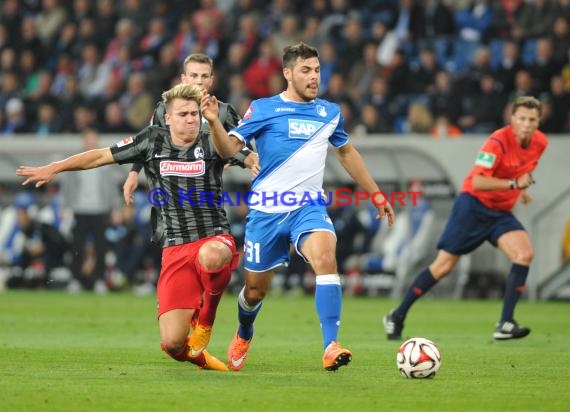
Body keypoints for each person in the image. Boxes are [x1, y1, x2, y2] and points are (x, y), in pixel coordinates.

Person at [201, 42, 395, 371]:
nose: (314, 77)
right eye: (306, 70)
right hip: (266, 211)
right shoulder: (262, 109)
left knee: (325, 258)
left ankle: (331, 345)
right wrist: (215, 123)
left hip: (309, 206)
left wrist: (375, 193)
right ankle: (244, 330)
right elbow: (225, 150)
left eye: (317, 70)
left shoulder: (329, 113)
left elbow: (347, 153)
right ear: (287, 74)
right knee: (254, 291)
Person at [17, 83, 237, 371]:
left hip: (214, 237)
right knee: (172, 344)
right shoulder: (151, 141)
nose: (191, 119)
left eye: (195, 114)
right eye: (183, 114)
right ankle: (200, 356)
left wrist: (214, 120)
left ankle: (206, 320)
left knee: (212, 256)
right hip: (175, 248)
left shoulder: (211, 138)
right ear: (167, 118)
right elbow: (99, 156)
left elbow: (227, 152)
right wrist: (55, 167)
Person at [383, 96, 549, 341]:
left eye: (532, 119)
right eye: (522, 118)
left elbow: (522, 166)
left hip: (500, 212)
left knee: (524, 254)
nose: (526, 124)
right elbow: (479, 181)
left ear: (538, 122)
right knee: (443, 267)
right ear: (512, 119)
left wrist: (520, 189)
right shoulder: (496, 142)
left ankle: (505, 322)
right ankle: (397, 315)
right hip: (473, 206)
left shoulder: (540, 142)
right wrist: (514, 184)